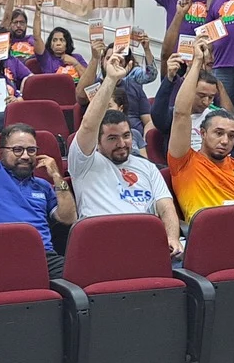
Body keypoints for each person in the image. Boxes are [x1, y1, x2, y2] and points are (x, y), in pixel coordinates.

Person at [70, 49, 181, 255]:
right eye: (112, 138)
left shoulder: (147, 167)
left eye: (126, 136)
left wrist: (172, 237)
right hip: (103, 247)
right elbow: (88, 125)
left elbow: (165, 207)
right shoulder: (83, 163)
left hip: (147, 245)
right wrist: (111, 79)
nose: (122, 143)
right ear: (97, 141)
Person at [0, 60, 75, 278]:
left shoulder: (44, 186)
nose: (26, 156)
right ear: (1, 152)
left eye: (31, 150)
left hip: (43, 256)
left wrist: (57, 177)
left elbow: (68, 218)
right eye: (17, 150)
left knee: (83, 277)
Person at [168, 38, 234, 223]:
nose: (225, 141)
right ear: (203, 133)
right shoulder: (184, 162)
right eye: (218, 133)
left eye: (231, 136)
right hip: (207, 232)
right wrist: (197, 62)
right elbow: (181, 113)